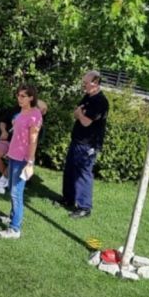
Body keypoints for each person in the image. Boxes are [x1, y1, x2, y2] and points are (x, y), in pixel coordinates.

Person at [0, 85, 44, 240]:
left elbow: (33, 141)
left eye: (23, 96)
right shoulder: (21, 112)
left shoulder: (35, 115)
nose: (19, 98)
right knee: (12, 188)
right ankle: (12, 217)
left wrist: (30, 162)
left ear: (31, 97)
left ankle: (15, 229)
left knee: (16, 193)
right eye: (18, 95)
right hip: (13, 155)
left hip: (23, 159)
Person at [62, 70, 109, 218]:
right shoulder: (88, 97)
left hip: (89, 144)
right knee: (69, 170)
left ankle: (84, 207)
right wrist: (80, 113)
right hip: (77, 141)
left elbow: (85, 121)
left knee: (83, 174)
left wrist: (80, 114)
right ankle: (68, 199)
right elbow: (76, 112)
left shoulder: (100, 102)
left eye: (85, 83)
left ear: (95, 83)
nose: (83, 85)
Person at [0, 97, 48, 195]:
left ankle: (4, 179)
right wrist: (4, 131)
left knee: (16, 157)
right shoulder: (17, 109)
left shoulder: (36, 122)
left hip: (21, 148)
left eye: (39, 107)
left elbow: (33, 142)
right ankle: (9, 178)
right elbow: (2, 121)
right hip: (8, 141)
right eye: (35, 104)